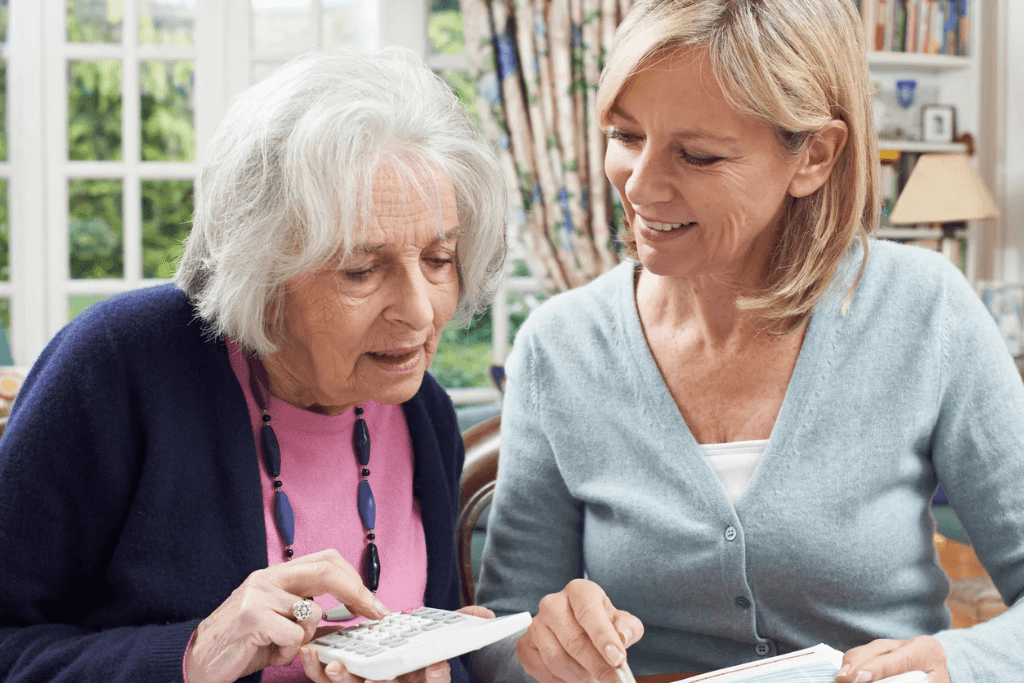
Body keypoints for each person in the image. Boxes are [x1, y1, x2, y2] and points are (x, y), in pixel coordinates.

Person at [470, 1, 1024, 683]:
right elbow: (505, 626)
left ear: (814, 157)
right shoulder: (559, 346)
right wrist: (538, 647)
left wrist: (957, 663)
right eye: (624, 134)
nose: (638, 185)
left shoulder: (926, 309)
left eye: (697, 154)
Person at [0, 48, 508, 683]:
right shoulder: (117, 366)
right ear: (264, 276)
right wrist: (194, 656)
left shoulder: (422, 411)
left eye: (438, 260)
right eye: (361, 269)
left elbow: (434, 652)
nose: (418, 311)